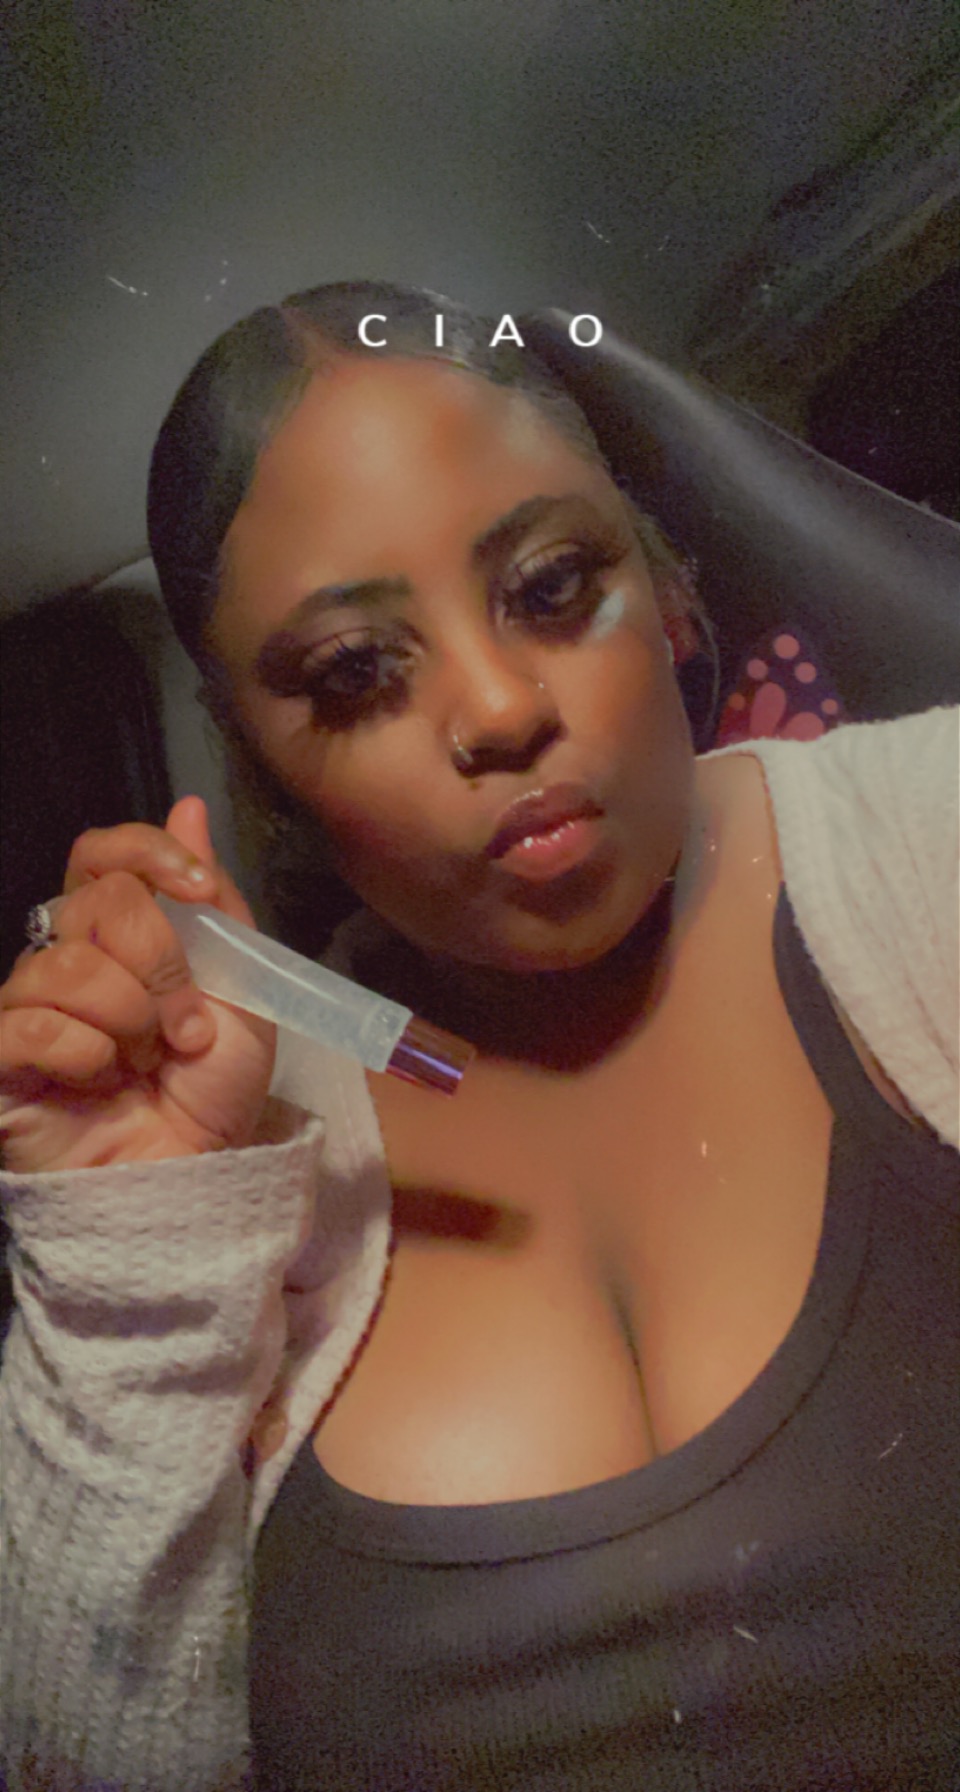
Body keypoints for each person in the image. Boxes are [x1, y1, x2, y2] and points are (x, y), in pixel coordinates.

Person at [0, 282, 957, 1792]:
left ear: (670, 584)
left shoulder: (935, 845)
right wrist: (129, 1261)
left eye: (554, 586)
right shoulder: (225, 1158)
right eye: (355, 674)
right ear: (258, 761)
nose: (501, 707)